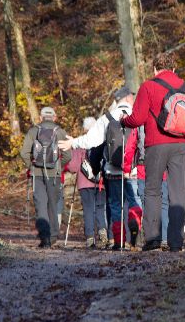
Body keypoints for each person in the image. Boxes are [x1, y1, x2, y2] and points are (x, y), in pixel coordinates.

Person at [120, 54, 185, 252]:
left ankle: (154, 239)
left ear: (155, 69)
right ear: (174, 68)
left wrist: (124, 121)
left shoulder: (149, 86)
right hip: (183, 145)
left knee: (153, 190)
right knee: (178, 192)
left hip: (156, 144)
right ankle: (175, 241)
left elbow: (137, 119)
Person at [58, 86, 142, 250]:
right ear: (127, 98)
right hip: (134, 169)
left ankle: (118, 241)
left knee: (116, 205)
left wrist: (73, 142)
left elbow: (91, 140)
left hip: (112, 170)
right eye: (131, 96)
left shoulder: (107, 118)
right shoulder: (138, 115)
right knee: (134, 201)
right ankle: (136, 236)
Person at [20, 107, 71, 248]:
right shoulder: (60, 132)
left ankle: (44, 237)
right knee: (53, 205)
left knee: (41, 205)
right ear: (54, 117)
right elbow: (68, 156)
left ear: (41, 117)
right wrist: (58, 166)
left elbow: (23, 152)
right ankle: (53, 236)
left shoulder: (33, 131)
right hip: (54, 175)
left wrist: (31, 165)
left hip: (37, 174)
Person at [65, 117, 108, 249]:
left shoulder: (81, 143)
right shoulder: (102, 141)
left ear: (84, 129)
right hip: (101, 182)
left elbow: (72, 167)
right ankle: (102, 230)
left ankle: (90, 237)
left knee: (88, 209)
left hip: (84, 183)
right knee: (100, 207)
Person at [124, 125, 170, 248]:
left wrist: (127, 167)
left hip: (143, 168)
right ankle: (165, 238)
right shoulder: (165, 118)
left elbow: (130, 146)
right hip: (163, 167)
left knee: (147, 202)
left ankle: (152, 239)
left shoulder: (140, 123)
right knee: (164, 203)